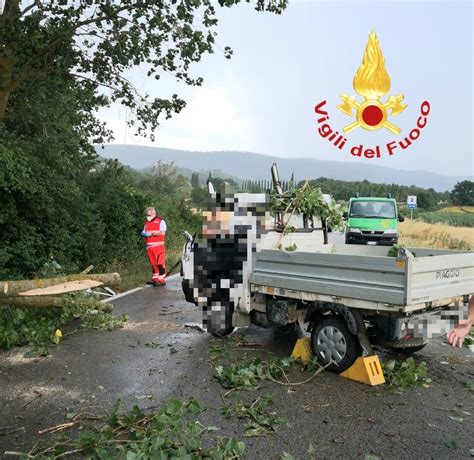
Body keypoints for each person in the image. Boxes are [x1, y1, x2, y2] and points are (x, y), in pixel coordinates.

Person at [141, 207, 167, 286]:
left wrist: (151, 233)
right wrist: (144, 233)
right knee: (154, 263)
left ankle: (161, 279)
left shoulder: (160, 221)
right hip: (149, 246)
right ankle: (155, 277)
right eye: (146, 215)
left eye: (149, 215)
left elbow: (162, 233)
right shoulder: (147, 223)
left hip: (158, 245)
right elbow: (144, 232)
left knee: (160, 263)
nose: (147, 216)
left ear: (154, 214)